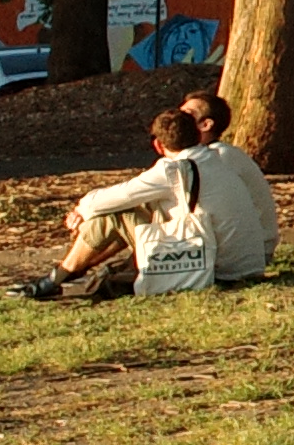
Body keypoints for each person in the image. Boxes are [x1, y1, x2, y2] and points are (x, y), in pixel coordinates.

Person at [17, 94, 276, 300]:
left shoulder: (174, 168)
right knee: (121, 213)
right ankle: (66, 275)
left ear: (158, 146)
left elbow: (115, 197)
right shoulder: (214, 158)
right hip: (243, 262)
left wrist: (82, 210)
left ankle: (56, 279)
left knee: (115, 215)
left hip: (219, 267)